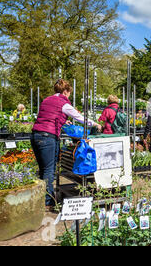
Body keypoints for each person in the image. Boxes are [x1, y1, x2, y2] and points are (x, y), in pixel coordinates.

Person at [31, 79, 102, 209]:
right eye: (69, 93)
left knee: (42, 170)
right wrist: (95, 124)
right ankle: (48, 201)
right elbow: (80, 118)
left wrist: (63, 122)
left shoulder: (47, 100)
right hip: (48, 137)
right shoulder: (63, 103)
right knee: (49, 171)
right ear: (66, 91)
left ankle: (40, 198)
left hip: (35, 135)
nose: (69, 96)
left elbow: (48, 117)